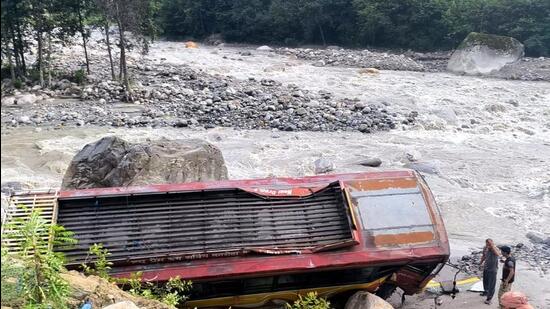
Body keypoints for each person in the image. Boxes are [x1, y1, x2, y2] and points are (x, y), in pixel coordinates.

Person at [480, 238, 501, 305]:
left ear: (492, 243)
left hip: (493, 269)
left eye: (489, 244)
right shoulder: (485, 248)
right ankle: (486, 291)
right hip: (486, 267)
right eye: (487, 244)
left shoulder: (496, 248)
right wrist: (480, 263)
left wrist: (492, 247)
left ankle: (489, 298)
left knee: (491, 284)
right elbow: (483, 256)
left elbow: (497, 254)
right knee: (485, 281)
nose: (488, 245)